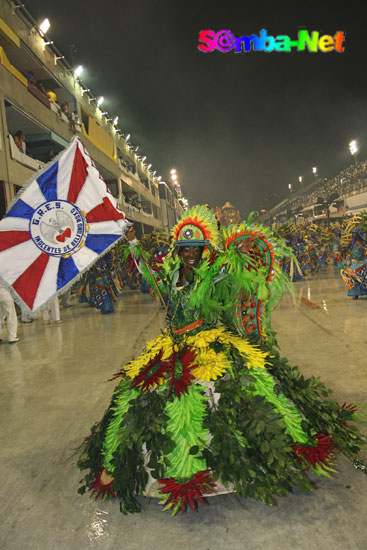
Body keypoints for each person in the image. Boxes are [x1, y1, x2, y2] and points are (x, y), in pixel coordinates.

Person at [77, 205, 366, 515]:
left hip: (209, 342)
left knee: (235, 390)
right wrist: (133, 243)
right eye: (185, 249)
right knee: (155, 396)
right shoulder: (169, 274)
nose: (190, 254)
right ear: (178, 251)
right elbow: (146, 271)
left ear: (204, 250)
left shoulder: (214, 274)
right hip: (172, 345)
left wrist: (240, 251)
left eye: (196, 249)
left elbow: (233, 272)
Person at [340, 229, 367, 299]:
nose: (353, 235)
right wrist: (343, 251)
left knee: (364, 277)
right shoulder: (351, 242)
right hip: (354, 264)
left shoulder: (363, 242)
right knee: (354, 279)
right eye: (352, 233)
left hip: (363, 263)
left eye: (354, 233)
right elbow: (344, 249)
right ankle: (355, 294)